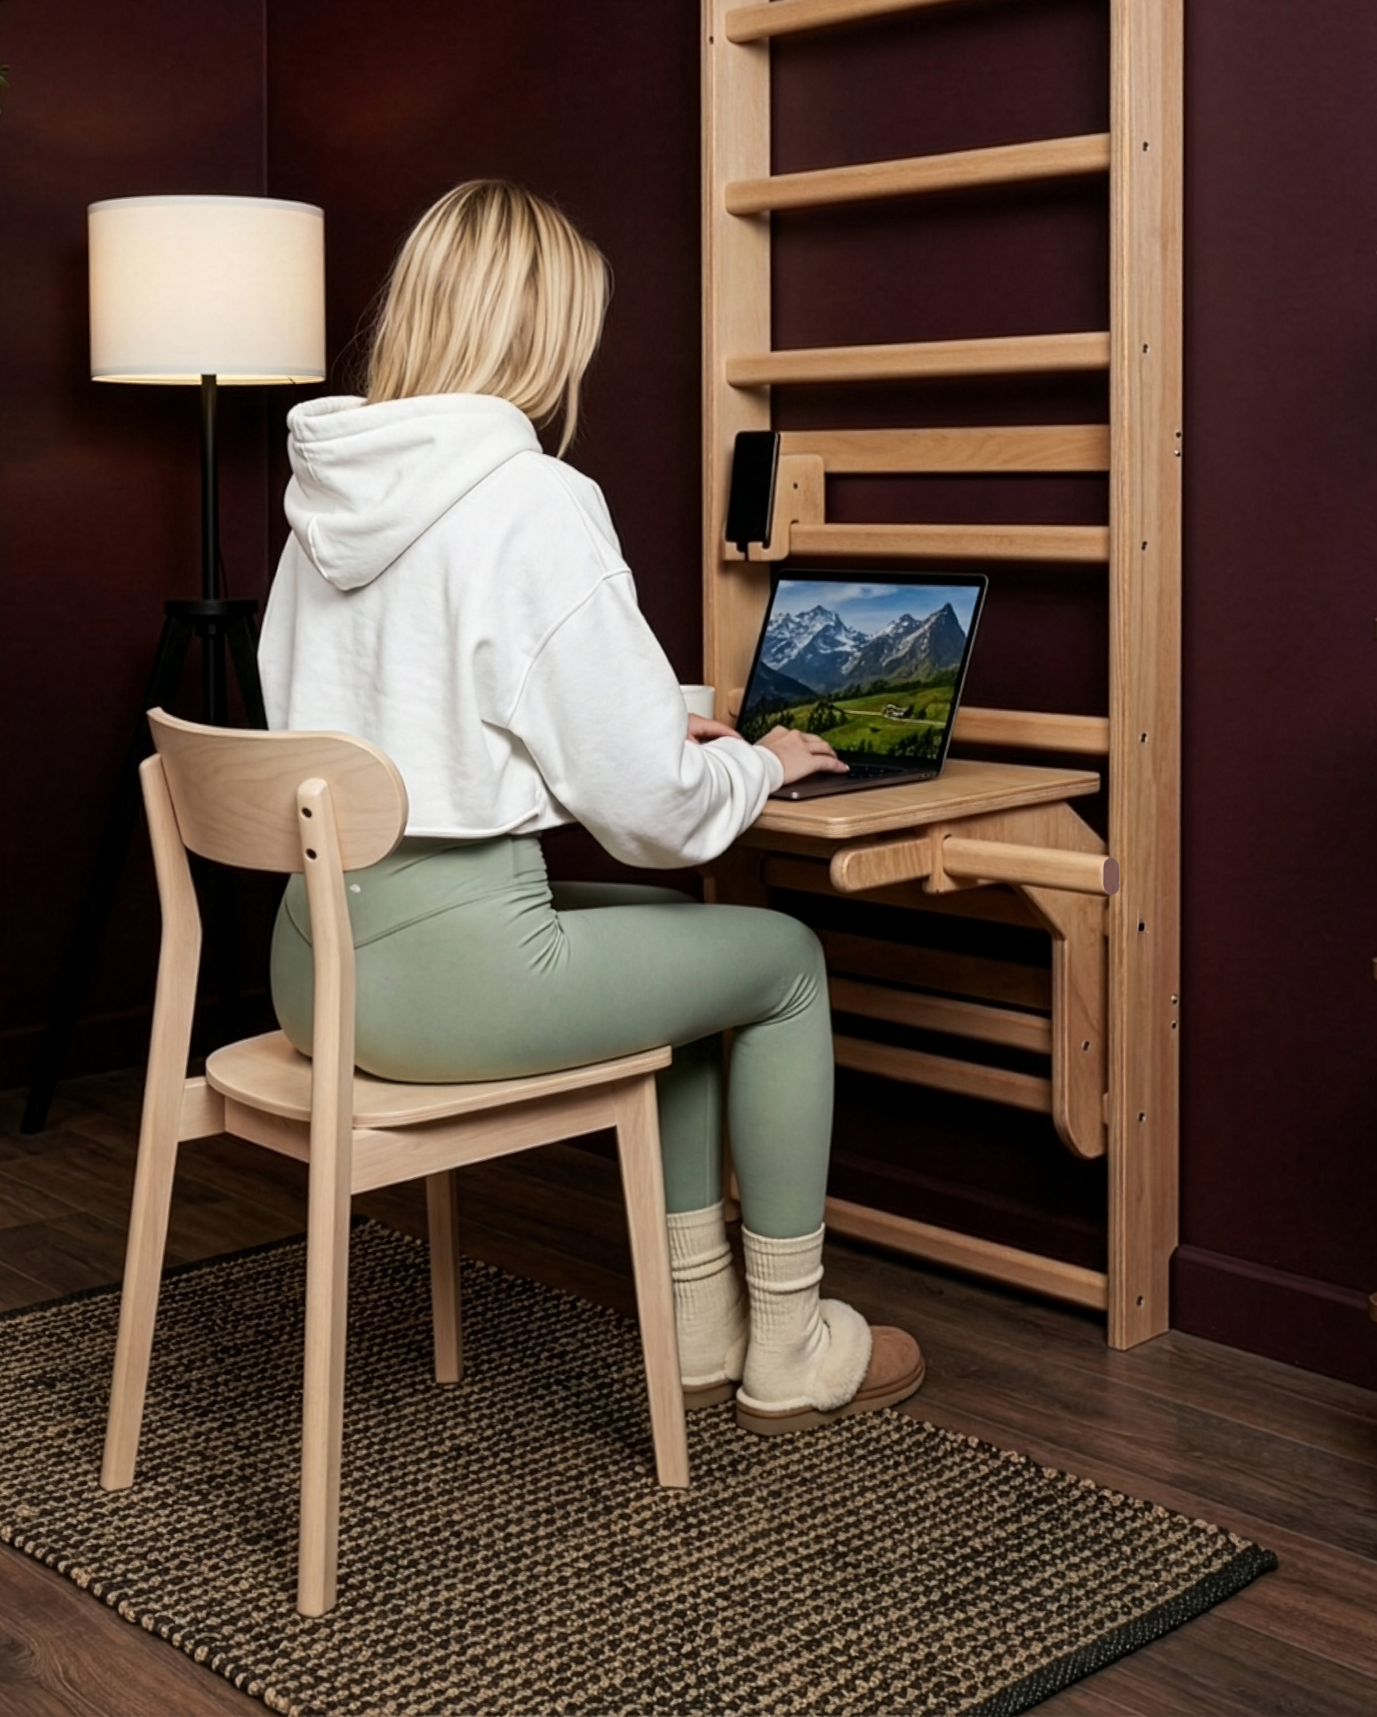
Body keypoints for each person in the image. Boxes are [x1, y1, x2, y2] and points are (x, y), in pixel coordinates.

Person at [258, 179, 924, 1433]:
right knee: (778, 960)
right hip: (454, 985)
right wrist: (763, 762)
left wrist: (641, 709)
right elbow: (655, 821)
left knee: (673, 971)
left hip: (320, 960)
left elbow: (408, 696)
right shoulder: (531, 497)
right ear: (547, 329)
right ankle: (788, 1341)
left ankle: (695, 1327)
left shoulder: (323, 501)